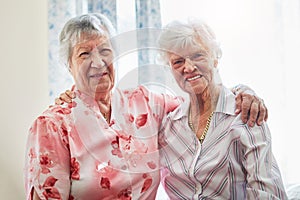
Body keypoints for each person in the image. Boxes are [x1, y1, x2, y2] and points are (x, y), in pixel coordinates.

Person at [25, 13, 267, 200]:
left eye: (105, 51)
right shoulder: (51, 126)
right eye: (84, 54)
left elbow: (201, 103)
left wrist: (242, 91)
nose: (97, 62)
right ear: (68, 64)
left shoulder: (146, 102)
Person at [155, 19, 287, 199]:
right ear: (169, 69)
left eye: (197, 56)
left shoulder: (246, 115)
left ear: (215, 58)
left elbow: (266, 193)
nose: (189, 67)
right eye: (178, 61)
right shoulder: (167, 127)